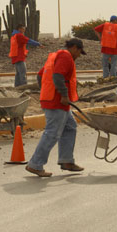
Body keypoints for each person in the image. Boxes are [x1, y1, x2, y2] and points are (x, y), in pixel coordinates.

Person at [26, 38, 86, 177]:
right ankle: (35, 164)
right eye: (79, 52)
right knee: (52, 133)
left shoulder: (55, 56)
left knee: (70, 127)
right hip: (57, 102)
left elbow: (40, 76)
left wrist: (46, 92)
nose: (78, 56)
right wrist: (63, 95)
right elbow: (58, 76)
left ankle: (67, 161)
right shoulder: (65, 56)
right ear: (75, 48)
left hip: (53, 100)